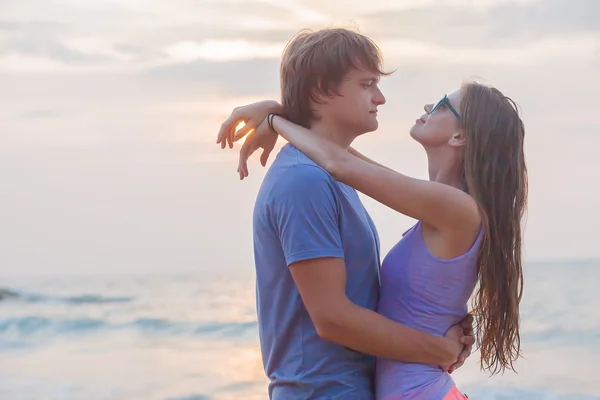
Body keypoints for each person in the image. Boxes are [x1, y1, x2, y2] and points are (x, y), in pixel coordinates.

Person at [216, 28, 476, 400]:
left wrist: (277, 114)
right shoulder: (304, 180)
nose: (380, 97)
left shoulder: (333, 174)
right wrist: (438, 350)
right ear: (320, 89)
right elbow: (332, 318)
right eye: (367, 84)